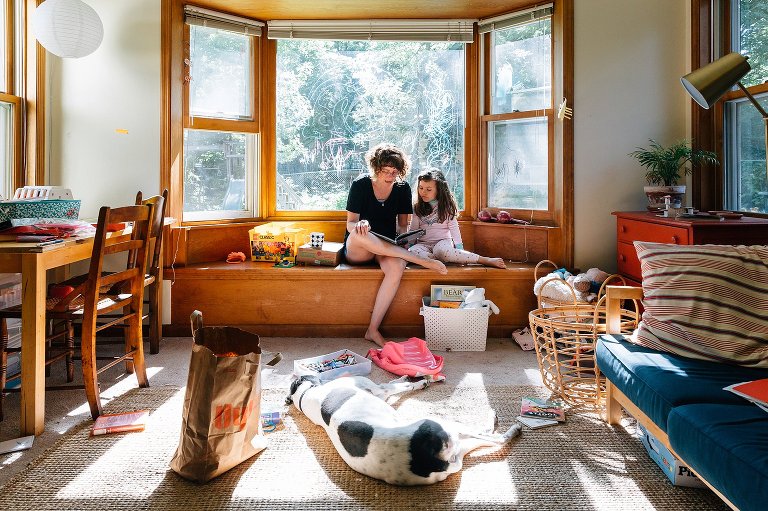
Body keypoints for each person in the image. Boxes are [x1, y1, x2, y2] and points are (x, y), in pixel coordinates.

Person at [344, 144, 448, 347]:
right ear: (375, 167)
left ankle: (372, 330)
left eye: (395, 172)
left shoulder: (402, 188)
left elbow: (402, 227)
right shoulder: (360, 184)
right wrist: (361, 224)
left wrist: (404, 240)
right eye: (386, 171)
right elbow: (350, 224)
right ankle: (420, 260)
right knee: (360, 233)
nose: (391, 176)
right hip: (360, 248)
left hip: (386, 245)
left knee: (397, 266)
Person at [408, 168, 507, 269]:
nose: (423, 192)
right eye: (421, 188)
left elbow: (454, 229)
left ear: (439, 190)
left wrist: (460, 250)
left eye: (428, 189)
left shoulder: (446, 207)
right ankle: (434, 260)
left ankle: (484, 259)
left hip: (442, 243)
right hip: (424, 244)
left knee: (442, 251)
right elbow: (413, 230)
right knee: (411, 252)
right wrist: (409, 246)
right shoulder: (417, 207)